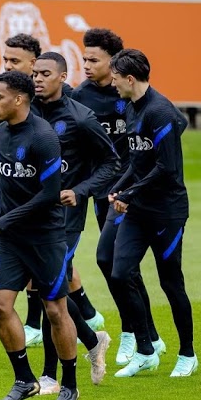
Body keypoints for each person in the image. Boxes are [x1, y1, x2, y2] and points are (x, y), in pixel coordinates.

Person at [0, 71, 81, 400]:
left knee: (55, 310)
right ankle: (24, 379)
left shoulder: (43, 137)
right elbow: (4, 182)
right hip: (10, 239)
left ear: (19, 100)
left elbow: (50, 193)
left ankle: (69, 383)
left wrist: (9, 217)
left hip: (45, 237)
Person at [30, 52, 118, 392]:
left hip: (64, 219)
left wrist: (80, 191)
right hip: (31, 213)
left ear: (63, 77)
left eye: (45, 73)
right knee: (46, 292)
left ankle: (51, 375)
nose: (37, 78)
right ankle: (92, 340)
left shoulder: (81, 118)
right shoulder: (28, 110)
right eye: (35, 72)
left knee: (50, 292)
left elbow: (110, 163)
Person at [106, 50, 196, 378]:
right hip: (139, 210)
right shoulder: (132, 107)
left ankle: (187, 353)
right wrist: (119, 187)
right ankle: (146, 349)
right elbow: (137, 161)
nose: (112, 82)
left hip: (167, 213)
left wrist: (129, 192)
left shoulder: (160, 112)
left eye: (115, 77)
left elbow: (166, 167)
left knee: (170, 283)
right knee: (120, 274)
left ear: (130, 79)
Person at [75, 28, 161, 364]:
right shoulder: (80, 97)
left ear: (114, 63)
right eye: (84, 58)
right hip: (104, 190)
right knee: (118, 264)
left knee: (116, 264)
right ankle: (148, 336)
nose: (86, 64)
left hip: (132, 189)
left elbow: (166, 129)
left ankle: (133, 336)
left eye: (94, 59)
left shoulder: (131, 93)